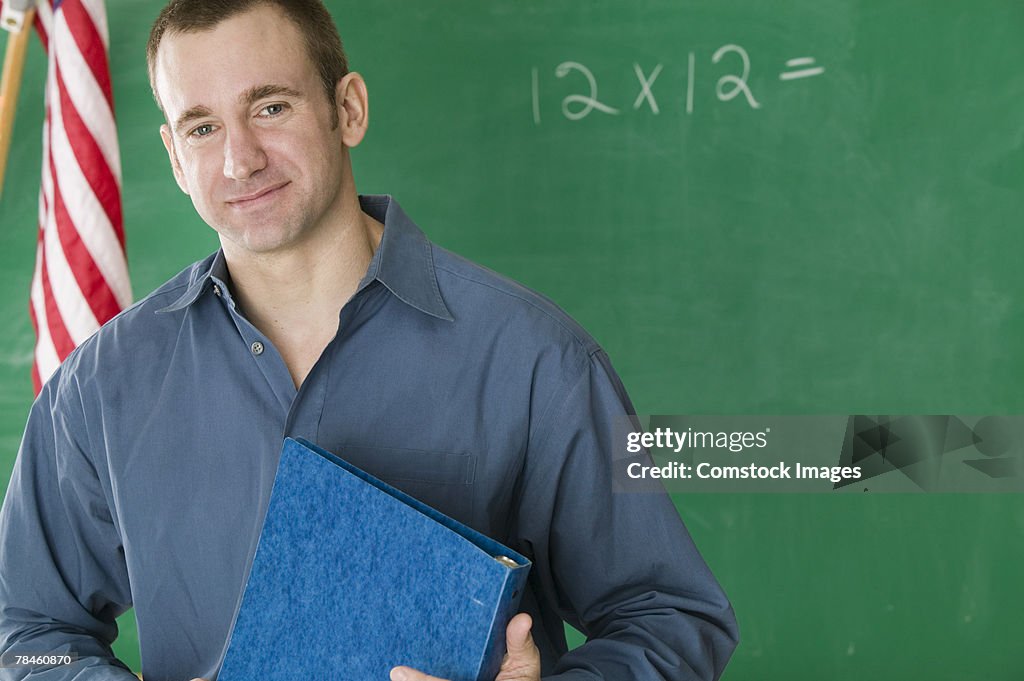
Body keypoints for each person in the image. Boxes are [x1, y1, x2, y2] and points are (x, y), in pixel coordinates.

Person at [0, 1, 739, 679]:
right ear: (173, 154)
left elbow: (672, 615)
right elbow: (24, 629)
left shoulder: (538, 362)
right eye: (202, 127)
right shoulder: (101, 387)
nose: (240, 159)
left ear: (347, 108)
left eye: (272, 107)